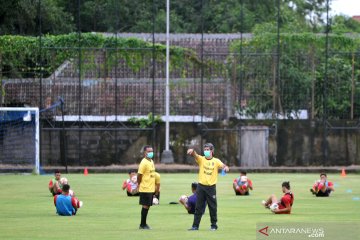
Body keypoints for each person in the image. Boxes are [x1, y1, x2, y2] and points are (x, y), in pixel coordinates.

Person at [187, 143, 229, 231]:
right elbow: (195, 155)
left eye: (207, 150)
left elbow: (224, 166)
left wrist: (226, 168)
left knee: (212, 207)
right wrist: (192, 151)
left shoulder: (216, 161)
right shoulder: (201, 159)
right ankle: (195, 226)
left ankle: (214, 225)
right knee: (198, 207)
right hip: (201, 187)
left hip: (211, 188)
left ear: (212, 151)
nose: (206, 151)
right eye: (205, 150)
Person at [137, 145, 156, 230]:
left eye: (151, 151)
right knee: (145, 206)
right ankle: (142, 224)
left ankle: (143, 224)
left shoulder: (151, 161)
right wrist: (139, 184)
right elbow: (139, 175)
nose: (150, 153)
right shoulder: (143, 162)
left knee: (147, 206)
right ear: (145, 152)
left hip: (150, 188)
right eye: (148, 151)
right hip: (145, 188)